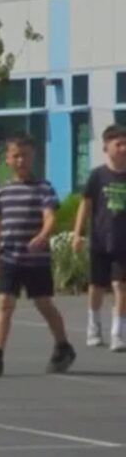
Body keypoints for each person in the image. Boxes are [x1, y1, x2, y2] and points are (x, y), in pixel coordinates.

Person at [0, 133, 76, 377]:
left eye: (25, 156)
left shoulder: (43, 188)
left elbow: (50, 215)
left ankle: (63, 345)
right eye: (16, 156)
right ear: (8, 160)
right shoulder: (1, 192)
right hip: (9, 256)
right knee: (4, 303)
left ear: (32, 157)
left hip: (36, 259)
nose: (21, 161)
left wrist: (44, 234)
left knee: (43, 303)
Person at [73, 124, 126, 352]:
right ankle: (93, 326)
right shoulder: (97, 176)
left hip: (123, 243)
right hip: (100, 241)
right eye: (119, 144)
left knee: (121, 286)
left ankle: (118, 333)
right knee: (96, 286)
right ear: (106, 147)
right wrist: (77, 233)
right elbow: (85, 205)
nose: (123, 148)